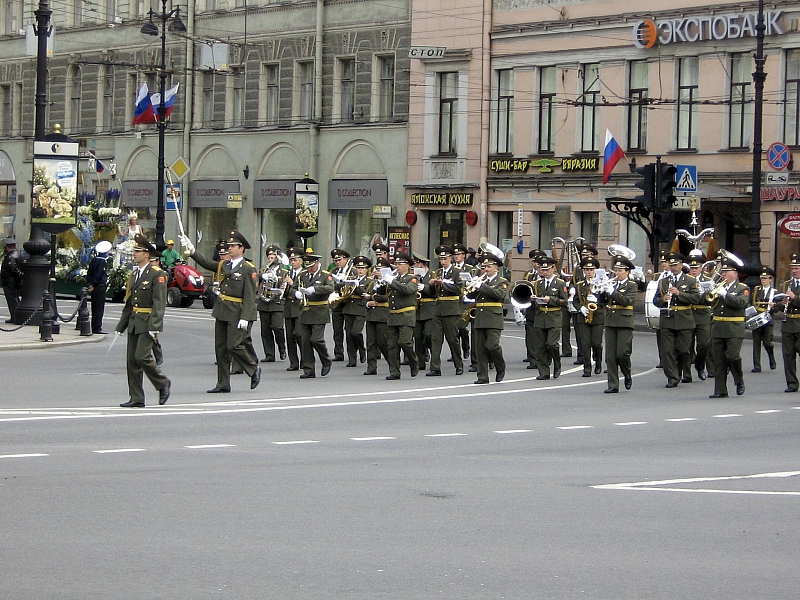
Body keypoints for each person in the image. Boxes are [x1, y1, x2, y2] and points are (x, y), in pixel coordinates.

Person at [180, 230, 261, 393]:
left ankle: (253, 368)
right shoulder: (224, 265)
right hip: (222, 311)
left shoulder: (248, 269)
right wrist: (193, 250)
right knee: (221, 348)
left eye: (232, 246)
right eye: (229, 246)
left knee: (234, 345)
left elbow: (250, 296)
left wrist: (246, 317)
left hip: (237, 312)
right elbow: (207, 263)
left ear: (241, 248)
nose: (229, 249)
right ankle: (223, 383)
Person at [115, 234, 171, 408]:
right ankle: (137, 397)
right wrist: (121, 325)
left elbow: (159, 303)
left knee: (142, 357)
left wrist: (155, 326)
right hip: (134, 321)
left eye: (138, 251)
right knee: (132, 361)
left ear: (147, 254)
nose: (134, 253)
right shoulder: (135, 274)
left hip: (147, 322)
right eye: (134, 251)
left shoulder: (157, 274)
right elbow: (130, 302)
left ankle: (162, 383)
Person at [653, 252, 700, 388]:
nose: (673, 268)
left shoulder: (690, 280)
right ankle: (672, 377)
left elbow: (696, 299)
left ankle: (679, 371)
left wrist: (680, 294)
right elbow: (655, 300)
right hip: (667, 319)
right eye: (671, 265)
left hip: (684, 319)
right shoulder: (663, 281)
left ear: (681, 265)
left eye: (676, 265)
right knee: (667, 351)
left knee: (683, 350)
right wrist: (663, 300)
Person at [709, 258, 749, 398]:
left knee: (732, 356)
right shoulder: (718, 286)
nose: (723, 274)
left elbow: (741, 303)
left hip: (734, 328)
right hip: (718, 327)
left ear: (735, 273)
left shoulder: (743, 288)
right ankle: (720, 390)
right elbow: (706, 302)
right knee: (719, 361)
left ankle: (739, 380)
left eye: (726, 271)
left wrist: (725, 295)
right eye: (723, 271)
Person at [598, 256, 637, 393]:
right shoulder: (612, 284)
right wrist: (601, 293)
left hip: (624, 321)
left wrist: (612, 292)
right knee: (610, 356)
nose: (617, 273)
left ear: (627, 271)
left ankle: (627, 373)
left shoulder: (632, 285)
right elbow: (603, 302)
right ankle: (613, 385)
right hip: (610, 321)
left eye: (620, 270)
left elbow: (627, 301)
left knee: (622, 353)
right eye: (616, 270)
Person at [295, 249, 335, 378]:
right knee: (305, 342)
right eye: (307, 266)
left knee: (316, 340)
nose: (309, 269)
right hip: (305, 312)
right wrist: (296, 293)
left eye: (311, 266)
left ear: (317, 263)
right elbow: (294, 287)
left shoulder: (325, 275)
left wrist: (315, 289)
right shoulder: (302, 275)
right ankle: (309, 369)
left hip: (319, 311)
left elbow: (330, 288)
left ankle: (326, 360)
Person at [427, 245, 464, 376]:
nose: (443, 261)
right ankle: (435, 367)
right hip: (438, 308)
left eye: (445, 258)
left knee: (452, 339)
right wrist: (432, 285)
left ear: (451, 258)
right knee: (435, 339)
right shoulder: (437, 272)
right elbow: (432, 293)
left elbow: (459, 289)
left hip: (451, 308)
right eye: (441, 259)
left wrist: (444, 283)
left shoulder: (457, 272)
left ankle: (458, 365)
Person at [471, 253, 508, 384]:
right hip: (480, 317)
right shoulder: (482, 281)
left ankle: (500, 366)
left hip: (493, 318)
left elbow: (498, 294)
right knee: (480, 349)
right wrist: (471, 286)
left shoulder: (502, 281)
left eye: (489, 266)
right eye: (484, 266)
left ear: (496, 268)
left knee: (492, 346)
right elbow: (471, 296)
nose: (486, 269)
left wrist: (481, 286)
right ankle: (482, 376)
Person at [531, 255, 568, 380]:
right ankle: (544, 371)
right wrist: (534, 299)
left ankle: (557, 363)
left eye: (547, 270)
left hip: (554, 316)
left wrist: (551, 299)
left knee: (552, 344)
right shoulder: (538, 283)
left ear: (553, 269)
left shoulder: (560, 283)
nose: (545, 272)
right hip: (541, 316)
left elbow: (564, 301)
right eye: (543, 270)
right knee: (540, 346)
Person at [384, 252, 419, 380]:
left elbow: (407, 290)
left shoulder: (413, 278)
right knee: (392, 346)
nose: (396, 267)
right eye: (396, 264)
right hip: (393, 316)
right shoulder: (395, 279)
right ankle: (394, 371)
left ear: (407, 266)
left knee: (405, 342)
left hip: (406, 315)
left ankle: (414, 361)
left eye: (399, 264)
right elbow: (386, 295)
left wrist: (392, 281)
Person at [571, 257, 605, 377]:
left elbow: (606, 301)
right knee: (585, 344)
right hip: (583, 317)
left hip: (598, 316)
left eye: (591, 269)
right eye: (586, 269)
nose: (589, 272)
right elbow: (575, 301)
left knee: (596, 342)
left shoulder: (601, 284)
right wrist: (581, 308)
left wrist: (598, 301)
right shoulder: (580, 285)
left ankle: (598, 361)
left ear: (595, 270)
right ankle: (587, 367)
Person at [257, 245, 288, 363]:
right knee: (265, 331)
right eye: (269, 257)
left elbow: (286, 285)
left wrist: (277, 280)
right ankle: (269, 354)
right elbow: (255, 281)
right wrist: (261, 277)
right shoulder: (262, 270)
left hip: (277, 303)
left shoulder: (283, 271)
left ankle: (282, 347)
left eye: (272, 257)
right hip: (264, 303)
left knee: (277, 327)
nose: (270, 259)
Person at [687, 253, 713, 380]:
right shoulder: (685, 280)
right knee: (687, 346)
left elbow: (712, 299)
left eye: (696, 268)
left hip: (703, 314)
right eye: (692, 268)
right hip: (689, 314)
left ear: (701, 268)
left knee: (704, 344)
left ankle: (700, 366)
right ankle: (686, 372)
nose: (694, 270)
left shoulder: (708, 280)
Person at [341, 255, 370, 367]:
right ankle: (352, 359)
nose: (360, 270)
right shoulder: (350, 278)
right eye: (358, 268)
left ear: (367, 270)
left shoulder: (369, 281)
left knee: (356, 332)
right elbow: (342, 290)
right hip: (348, 308)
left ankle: (362, 349)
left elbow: (365, 294)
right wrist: (341, 281)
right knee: (348, 335)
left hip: (360, 308)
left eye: (363, 268)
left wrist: (357, 285)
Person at [364, 258, 390, 375]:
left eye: (380, 270)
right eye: (376, 269)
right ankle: (371, 367)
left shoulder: (389, 283)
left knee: (382, 342)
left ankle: (392, 362)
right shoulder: (372, 283)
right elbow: (367, 296)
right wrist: (368, 302)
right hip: (371, 315)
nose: (377, 272)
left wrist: (373, 298)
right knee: (370, 342)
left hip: (382, 315)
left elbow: (386, 297)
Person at [750, 266, 777, 373]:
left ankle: (771, 356)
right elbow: (752, 302)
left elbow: (777, 307)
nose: (763, 280)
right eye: (762, 278)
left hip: (768, 319)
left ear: (770, 279)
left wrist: (773, 306)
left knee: (767, 342)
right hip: (757, 317)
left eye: (766, 278)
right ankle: (757, 365)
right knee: (756, 342)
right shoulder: (756, 290)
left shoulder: (773, 292)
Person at [779, 254, 800, 393]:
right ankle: (792, 383)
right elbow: (778, 306)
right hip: (788, 324)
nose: (794, 270)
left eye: (797, 268)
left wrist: (795, 298)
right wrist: (781, 303)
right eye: (792, 268)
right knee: (788, 355)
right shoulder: (786, 284)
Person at [329, 248, 354, 362]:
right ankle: (338, 353)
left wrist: (344, 281)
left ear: (345, 259)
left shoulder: (353, 271)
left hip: (349, 303)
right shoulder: (333, 272)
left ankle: (352, 354)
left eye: (339, 260)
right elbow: (329, 285)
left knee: (350, 331)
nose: (337, 262)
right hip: (337, 303)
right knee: (337, 330)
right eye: (335, 260)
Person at [283, 247, 305, 372]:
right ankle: (293, 362)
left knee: (299, 334)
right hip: (288, 307)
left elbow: (304, 289)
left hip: (299, 307)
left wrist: (291, 283)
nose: (292, 262)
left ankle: (304, 359)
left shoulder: (304, 273)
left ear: (301, 261)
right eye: (291, 260)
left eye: (295, 259)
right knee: (290, 337)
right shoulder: (287, 273)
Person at [413, 252, 435, 372]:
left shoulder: (433, 275)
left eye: (416, 264)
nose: (414, 267)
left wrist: (425, 288)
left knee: (428, 335)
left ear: (422, 265)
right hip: (418, 310)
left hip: (429, 309)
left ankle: (434, 356)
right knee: (417, 337)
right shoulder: (415, 277)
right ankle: (420, 362)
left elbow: (436, 292)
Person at [86, 240, 112, 334]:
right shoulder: (102, 261)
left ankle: (95, 326)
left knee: (94, 307)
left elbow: (89, 273)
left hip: (94, 286)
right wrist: (93, 284)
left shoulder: (94, 260)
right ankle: (97, 327)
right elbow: (98, 274)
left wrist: (90, 283)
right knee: (99, 308)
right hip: (99, 286)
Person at [2, 237, 23, 323]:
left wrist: (20, 275)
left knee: (12, 300)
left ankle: (15, 317)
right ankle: (16, 316)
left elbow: (13, 269)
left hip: (10, 282)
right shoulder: (18, 254)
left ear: (7, 246)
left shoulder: (11, 256)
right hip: (14, 282)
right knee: (15, 299)